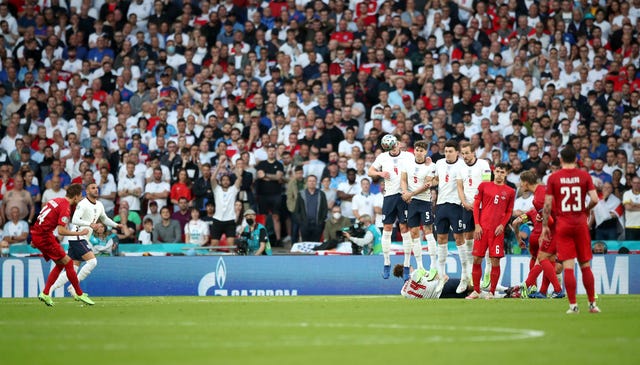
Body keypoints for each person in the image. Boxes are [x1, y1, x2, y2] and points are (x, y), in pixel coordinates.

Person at [542, 146, 601, 314]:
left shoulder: (554, 177)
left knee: (568, 266)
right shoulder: (584, 176)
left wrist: (546, 225)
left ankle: (573, 306)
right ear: (576, 159)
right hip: (580, 223)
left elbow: (547, 205)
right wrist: (585, 209)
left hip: (563, 224)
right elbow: (595, 199)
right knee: (585, 265)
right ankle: (592, 304)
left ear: (560, 160)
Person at [49, 182, 122, 297]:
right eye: (93, 188)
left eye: (97, 188)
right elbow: (75, 219)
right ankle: (74, 287)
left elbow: (104, 218)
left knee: (73, 269)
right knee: (92, 262)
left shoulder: (99, 205)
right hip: (78, 236)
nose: (96, 190)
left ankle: (48, 290)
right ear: (87, 192)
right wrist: (90, 224)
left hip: (81, 238)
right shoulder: (83, 204)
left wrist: (116, 225)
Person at [30, 184, 94, 306]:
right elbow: (61, 231)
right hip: (45, 237)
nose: (81, 199)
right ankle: (79, 293)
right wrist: (80, 232)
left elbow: (41, 218)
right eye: (80, 197)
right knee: (68, 262)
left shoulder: (55, 200)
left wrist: (35, 238)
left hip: (38, 234)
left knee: (60, 264)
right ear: (75, 197)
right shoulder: (66, 207)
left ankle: (45, 292)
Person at [511, 171, 564, 299]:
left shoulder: (537, 199)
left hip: (555, 229)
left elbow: (550, 219)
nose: (520, 185)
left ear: (526, 183)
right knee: (549, 260)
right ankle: (543, 291)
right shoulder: (544, 189)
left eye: (521, 182)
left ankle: (557, 290)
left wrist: (544, 225)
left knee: (542, 257)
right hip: (563, 225)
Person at [368, 134, 414, 279]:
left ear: (399, 144)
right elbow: (370, 171)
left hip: (404, 195)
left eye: (395, 144)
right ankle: (386, 263)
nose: (393, 147)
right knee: (387, 228)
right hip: (389, 196)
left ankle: (406, 266)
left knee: (404, 228)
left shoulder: (408, 156)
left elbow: (417, 169)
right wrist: (380, 172)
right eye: (390, 146)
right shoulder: (382, 157)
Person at [466, 163, 515, 299]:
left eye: (502, 172)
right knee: (476, 259)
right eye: (498, 171)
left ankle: (492, 292)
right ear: (494, 172)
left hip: (497, 232)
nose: (499, 174)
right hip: (482, 229)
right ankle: (476, 291)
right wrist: (477, 224)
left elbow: (509, 211)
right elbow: (476, 205)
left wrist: (502, 225)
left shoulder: (510, 191)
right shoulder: (483, 186)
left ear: (506, 174)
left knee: (495, 261)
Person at [459, 141, 492, 292]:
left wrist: (481, 202)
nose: (465, 156)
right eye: (463, 153)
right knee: (468, 237)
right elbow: (459, 187)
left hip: (483, 207)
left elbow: (487, 184)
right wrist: (464, 202)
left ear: (474, 152)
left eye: (467, 153)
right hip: (467, 207)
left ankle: (487, 274)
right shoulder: (460, 167)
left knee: (485, 238)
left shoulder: (484, 164)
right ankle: (471, 274)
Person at [400, 140, 436, 276]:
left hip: (424, 202)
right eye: (417, 150)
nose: (419, 152)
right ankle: (420, 267)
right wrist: (405, 193)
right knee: (414, 234)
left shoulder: (431, 166)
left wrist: (410, 194)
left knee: (428, 232)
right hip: (412, 203)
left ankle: (433, 265)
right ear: (414, 150)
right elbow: (403, 179)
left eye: (422, 150)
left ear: (425, 152)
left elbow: (427, 184)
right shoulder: (407, 164)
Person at [432, 140, 466, 284]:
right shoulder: (439, 163)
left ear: (457, 152)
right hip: (441, 205)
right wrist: (429, 182)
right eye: (446, 151)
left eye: (450, 151)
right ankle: (441, 273)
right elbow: (436, 180)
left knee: (459, 238)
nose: (448, 154)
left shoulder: (462, 165)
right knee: (441, 239)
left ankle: (465, 272)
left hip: (456, 205)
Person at [210, 158, 243, 247]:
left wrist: (233, 168)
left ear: (229, 182)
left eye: (227, 180)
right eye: (223, 180)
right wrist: (219, 166)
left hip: (230, 221)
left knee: (231, 246)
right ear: (220, 181)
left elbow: (239, 178)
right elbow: (212, 178)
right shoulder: (217, 189)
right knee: (213, 245)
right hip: (217, 220)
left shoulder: (233, 190)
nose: (225, 181)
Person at [255, 144, 284, 244]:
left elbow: (278, 177)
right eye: (269, 151)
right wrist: (273, 177)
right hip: (263, 194)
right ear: (267, 152)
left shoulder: (279, 164)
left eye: (273, 151)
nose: (271, 152)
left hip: (276, 194)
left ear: (275, 152)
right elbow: (259, 175)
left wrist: (266, 175)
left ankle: (278, 239)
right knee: (264, 217)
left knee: (276, 217)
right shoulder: (261, 164)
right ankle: (262, 239)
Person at [393, 265, 470, 299]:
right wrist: (443, 277)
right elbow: (434, 275)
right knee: (466, 286)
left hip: (438, 297)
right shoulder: (415, 274)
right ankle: (479, 288)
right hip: (441, 286)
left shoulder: (403, 292)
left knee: (465, 296)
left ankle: (479, 293)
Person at [293, 174, 328, 242]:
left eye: (313, 181)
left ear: (316, 182)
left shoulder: (321, 194)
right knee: (306, 245)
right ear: (307, 182)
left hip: (317, 224)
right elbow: (297, 210)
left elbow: (325, 209)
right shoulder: (301, 194)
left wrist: (321, 221)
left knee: (316, 244)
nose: (312, 183)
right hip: (305, 224)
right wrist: (301, 222)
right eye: (310, 181)